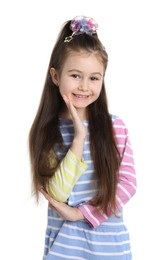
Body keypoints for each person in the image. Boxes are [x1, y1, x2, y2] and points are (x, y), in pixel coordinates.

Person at [29, 15, 137, 260]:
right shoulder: (48, 131)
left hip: (111, 248)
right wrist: (79, 138)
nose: (84, 86)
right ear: (56, 76)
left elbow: (128, 184)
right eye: (75, 75)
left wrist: (82, 214)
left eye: (94, 78)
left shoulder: (115, 127)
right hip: (64, 250)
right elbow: (56, 194)